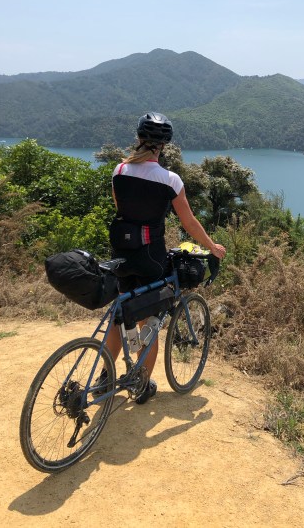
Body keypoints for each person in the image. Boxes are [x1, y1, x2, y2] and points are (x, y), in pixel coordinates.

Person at [104, 111, 226, 404]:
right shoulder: (170, 180)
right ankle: (142, 384)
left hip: (121, 255)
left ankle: (104, 378)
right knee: (149, 320)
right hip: (151, 259)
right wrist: (211, 246)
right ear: (164, 145)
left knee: (120, 315)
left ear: (138, 138)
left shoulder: (119, 171)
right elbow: (189, 222)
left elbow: (122, 209)